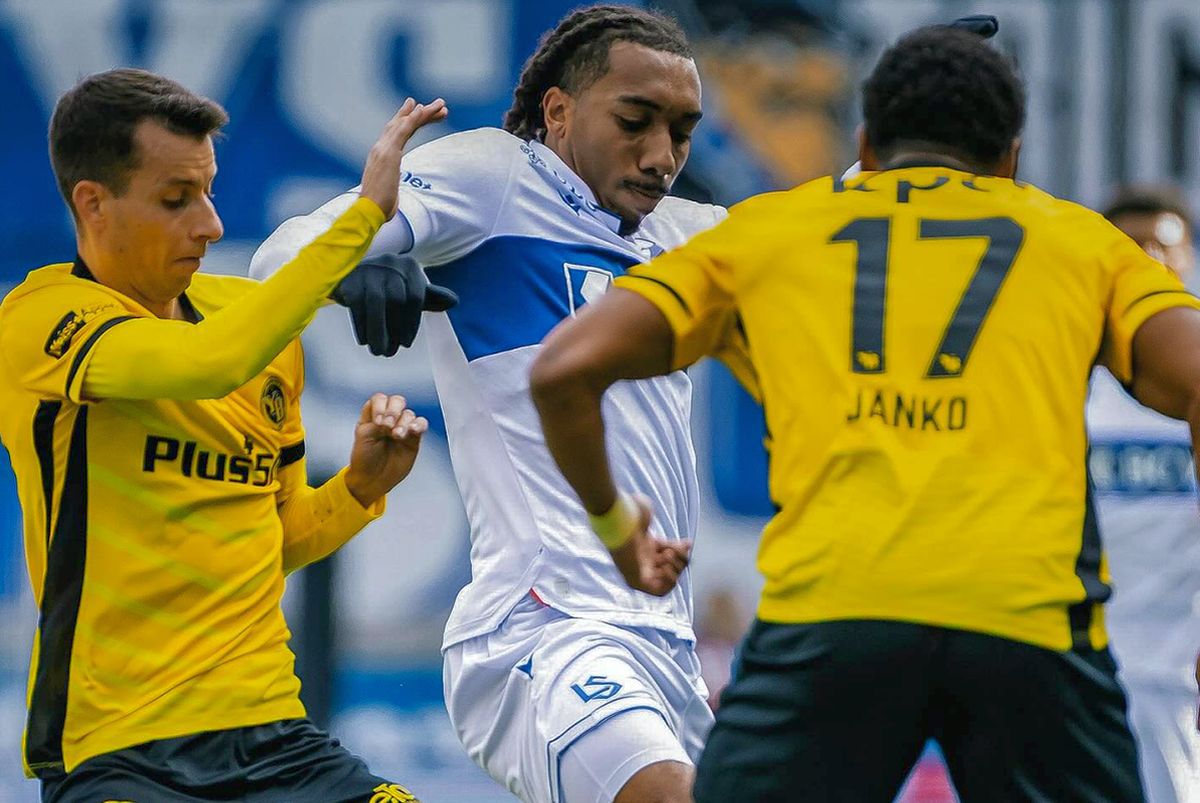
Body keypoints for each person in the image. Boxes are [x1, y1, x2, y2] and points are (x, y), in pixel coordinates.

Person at [530, 24, 1200, 801]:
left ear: (865, 145)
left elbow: (563, 368)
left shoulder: (767, 232)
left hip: (833, 617)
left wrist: (617, 529)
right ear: (1011, 158)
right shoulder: (1083, 243)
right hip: (1030, 622)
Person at [250, 6, 757, 802]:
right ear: (557, 111)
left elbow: (841, 230)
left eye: (682, 132)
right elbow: (279, 256)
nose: (662, 156)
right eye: (635, 121)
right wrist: (353, 264)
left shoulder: (691, 239)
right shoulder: (498, 177)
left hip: (668, 649)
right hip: (541, 628)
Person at [0, 67, 450, 802]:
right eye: (176, 199)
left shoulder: (258, 330)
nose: (209, 224)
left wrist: (358, 489)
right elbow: (208, 363)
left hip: (278, 741)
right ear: (93, 203)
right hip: (119, 754)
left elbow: (277, 538)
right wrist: (362, 220)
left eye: (208, 192)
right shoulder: (42, 321)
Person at [1089, 186, 1200, 802]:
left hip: (1181, 678)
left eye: (1164, 246)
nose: (1150, 260)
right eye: (1132, 248)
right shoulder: (1062, 378)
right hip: (1080, 673)